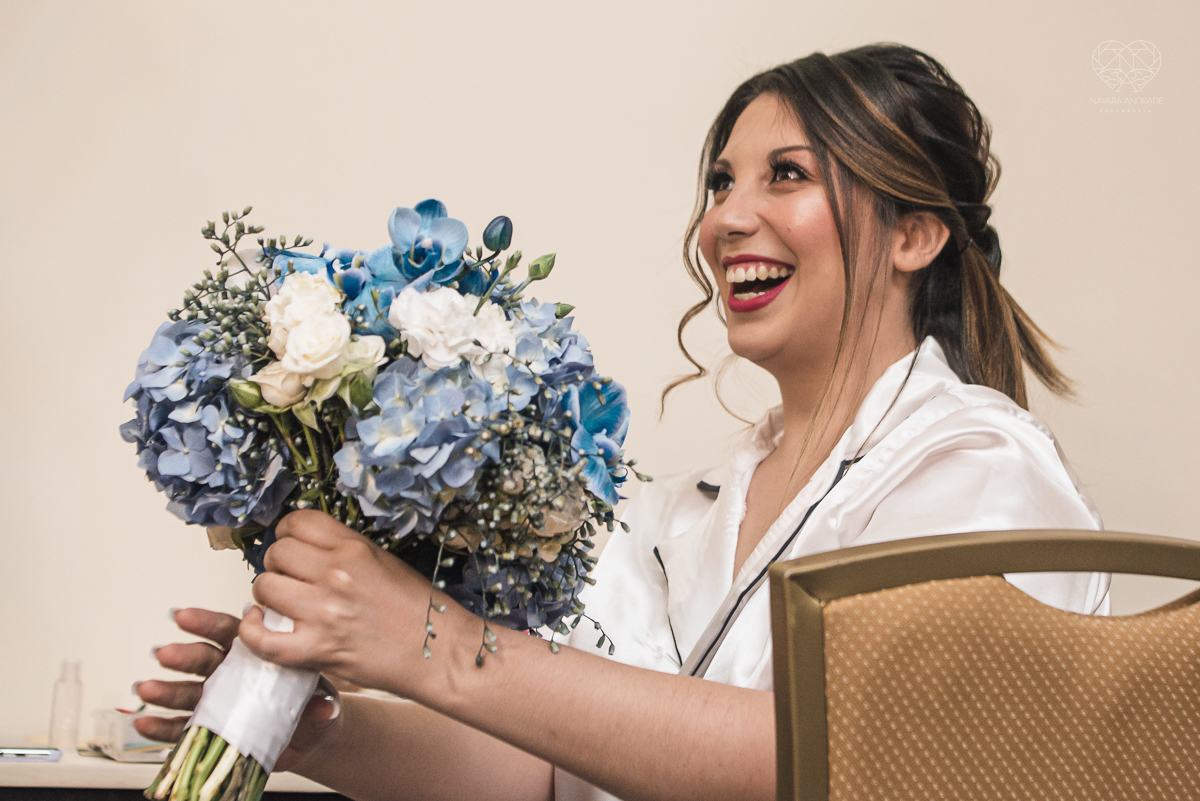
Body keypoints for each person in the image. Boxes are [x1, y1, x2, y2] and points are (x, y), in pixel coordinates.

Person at [135, 43, 1109, 801]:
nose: (724, 218)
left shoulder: (980, 472)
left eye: (785, 175)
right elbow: (555, 772)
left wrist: (429, 636)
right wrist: (327, 730)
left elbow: (850, 764)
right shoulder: (679, 513)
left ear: (915, 234)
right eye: (722, 181)